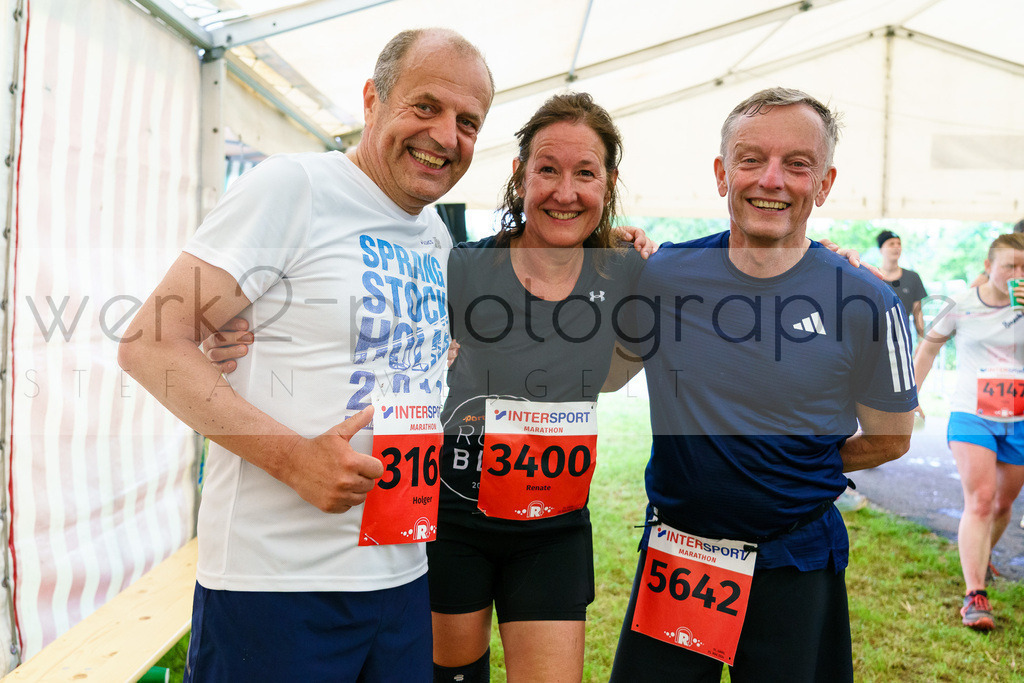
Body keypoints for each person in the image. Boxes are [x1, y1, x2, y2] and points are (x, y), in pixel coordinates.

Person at [117, 28, 494, 681]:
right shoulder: (293, 187)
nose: (446, 135)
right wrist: (294, 459)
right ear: (372, 100)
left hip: (401, 576)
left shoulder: (434, 235)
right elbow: (150, 342)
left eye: (468, 122)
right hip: (275, 586)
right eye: (425, 106)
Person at [608, 87, 917, 682]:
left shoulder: (867, 299)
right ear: (723, 174)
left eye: (797, 164)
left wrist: (792, 465)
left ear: (823, 184)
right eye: (751, 160)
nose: (771, 180)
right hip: (683, 557)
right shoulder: (664, 273)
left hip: (796, 559)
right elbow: (610, 373)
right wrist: (606, 269)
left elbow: (891, 437)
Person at [913, 233, 1024, 632]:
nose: (1017, 274)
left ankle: (980, 555)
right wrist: (910, 397)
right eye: (1010, 266)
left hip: (1020, 418)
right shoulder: (962, 305)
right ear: (988, 267)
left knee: (1002, 505)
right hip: (971, 413)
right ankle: (974, 594)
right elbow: (928, 348)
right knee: (980, 499)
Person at [877, 229, 928, 340]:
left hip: (903, 340)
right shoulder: (872, 277)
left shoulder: (913, 277)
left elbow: (918, 313)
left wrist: (921, 340)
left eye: (899, 243)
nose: (896, 247)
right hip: (877, 341)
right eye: (891, 244)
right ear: (881, 249)